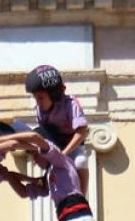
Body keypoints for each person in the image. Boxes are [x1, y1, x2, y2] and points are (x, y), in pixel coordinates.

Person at [22, 65, 90, 193]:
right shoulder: (40, 110)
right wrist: (39, 153)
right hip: (54, 142)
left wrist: (63, 154)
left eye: (40, 98)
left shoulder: (71, 104)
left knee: (80, 161)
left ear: (54, 95)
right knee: (21, 128)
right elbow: (43, 132)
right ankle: (47, 181)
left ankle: (81, 195)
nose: (38, 102)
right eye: (36, 98)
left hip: (73, 144)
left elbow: (82, 131)